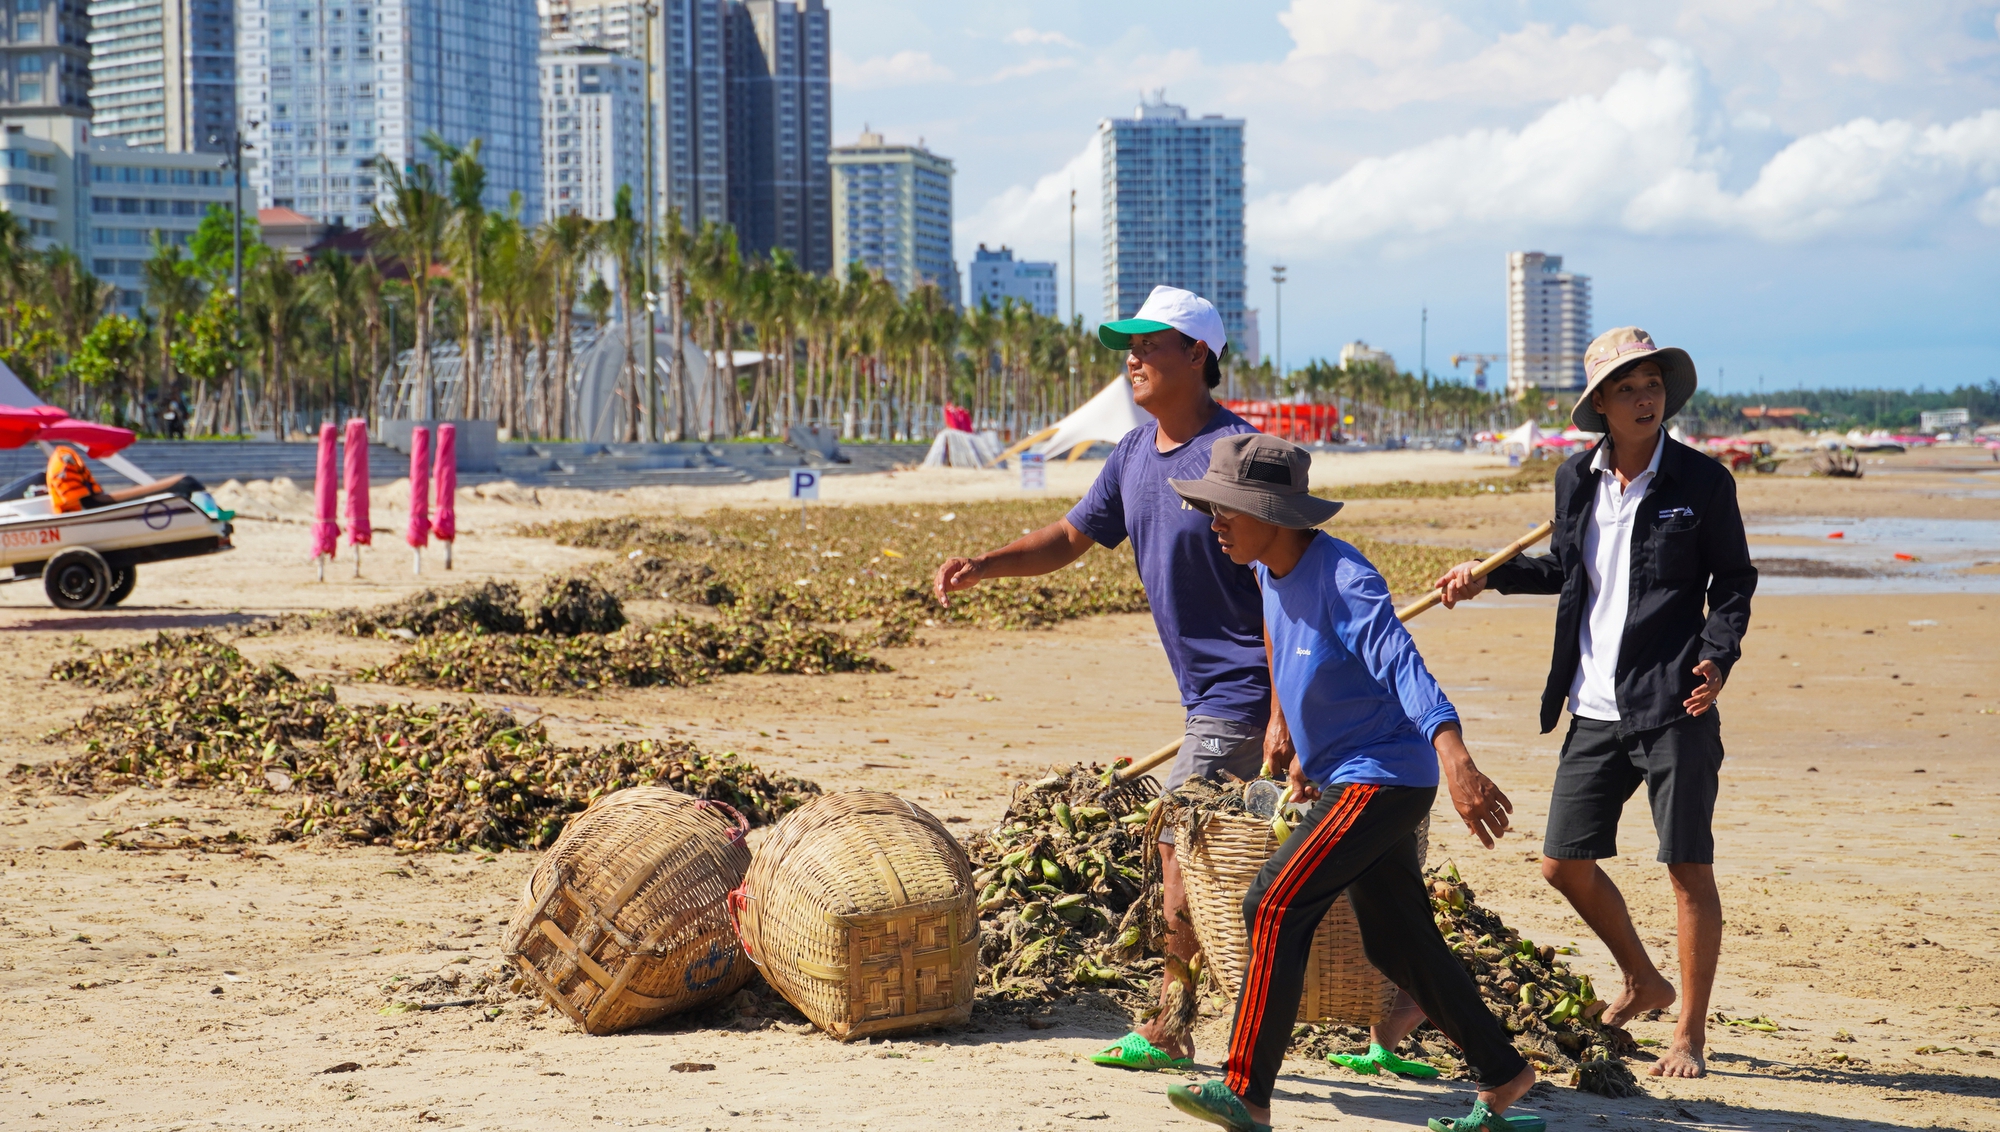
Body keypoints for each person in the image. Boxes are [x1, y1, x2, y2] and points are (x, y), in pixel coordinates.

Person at [934, 285, 1285, 1071]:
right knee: (1274, 849)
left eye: (1149, 344)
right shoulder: (1132, 455)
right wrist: (985, 564)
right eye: (1129, 346)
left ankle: (1170, 1024)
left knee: (1178, 841)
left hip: (1249, 692)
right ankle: (1388, 1005)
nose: (1132, 358)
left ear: (1197, 354)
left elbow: (1280, 582)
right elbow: (1069, 537)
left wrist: (1283, 712)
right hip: (1212, 700)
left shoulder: (1239, 453)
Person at [1161, 433, 1537, 1132]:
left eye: (1225, 510)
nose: (1214, 523)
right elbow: (1289, 644)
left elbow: (1401, 663)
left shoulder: (1345, 577)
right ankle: (1504, 1072)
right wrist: (1297, 737)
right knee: (1396, 942)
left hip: (1384, 776)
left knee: (1273, 901)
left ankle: (1246, 1091)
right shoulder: (1268, 568)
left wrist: (1456, 756)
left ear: (1270, 513)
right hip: (1347, 771)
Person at [1435, 326, 1755, 1080]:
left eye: (1653, 386)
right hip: (1594, 703)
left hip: (1675, 702)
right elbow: (1565, 571)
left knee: (1687, 866)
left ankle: (1689, 1034)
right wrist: (1490, 577)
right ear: (1601, 405)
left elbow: (1734, 582)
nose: (1645, 399)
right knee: (1562, 863)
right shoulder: (1575, 480)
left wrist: (1717, 656)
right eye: (1627, 388)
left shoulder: (1703, 483)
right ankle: (1644, 979)